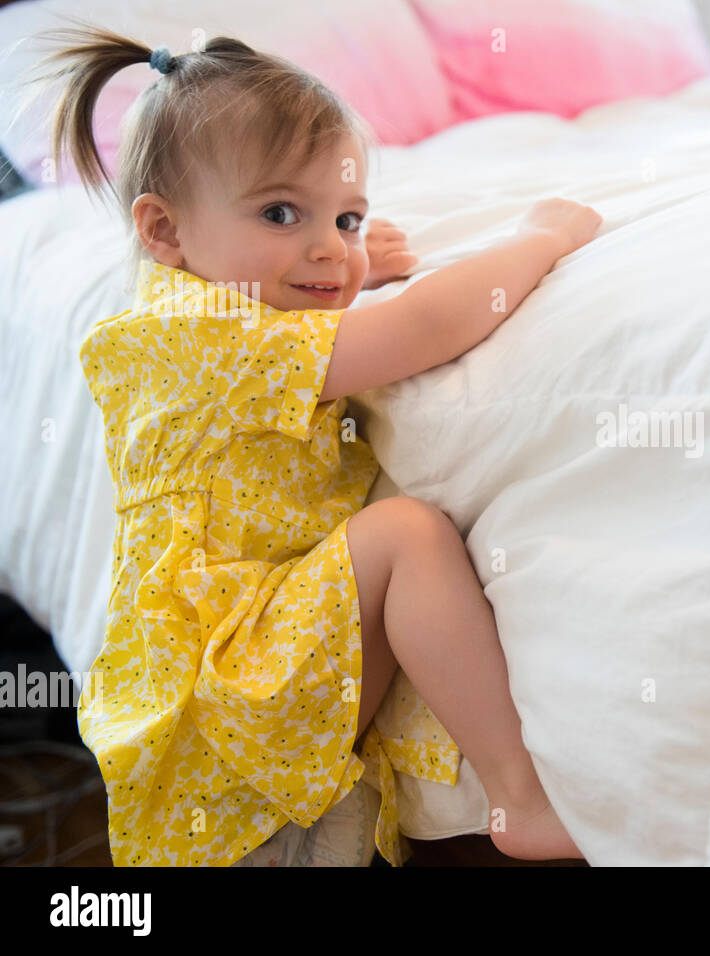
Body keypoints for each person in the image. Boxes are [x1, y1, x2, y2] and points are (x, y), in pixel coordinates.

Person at [32, 22, 600, 866]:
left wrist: (344, 261)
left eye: (347, 217)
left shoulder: (209, 310)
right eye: (280, 212)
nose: (331, 247)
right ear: (165, 232)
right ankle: (522, 800)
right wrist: (544, 239)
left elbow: (318, 300)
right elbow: (430, 327)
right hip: (229, 695)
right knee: (407, 534)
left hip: (252, 703)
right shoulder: (200, 335)